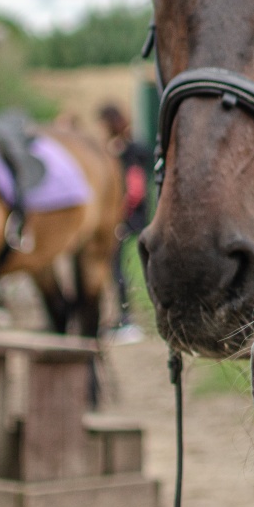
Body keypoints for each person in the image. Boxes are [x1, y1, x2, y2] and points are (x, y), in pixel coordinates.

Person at [99, 102, 151, 342]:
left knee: (118, 266)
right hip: (128, 217)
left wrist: (121, 219)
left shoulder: (128, 152)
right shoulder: (125, 148)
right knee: (116, 266)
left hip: (127, 218)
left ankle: (125, 318)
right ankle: (122, 316)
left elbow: (134, 190)